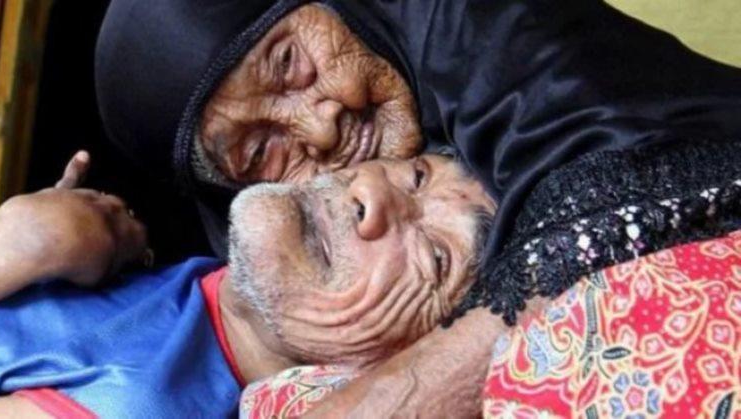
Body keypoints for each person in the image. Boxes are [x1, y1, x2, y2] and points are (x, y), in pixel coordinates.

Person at [94, 0, 741, 414]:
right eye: (262, 150)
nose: (320, 126)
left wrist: (400, 395)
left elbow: (617, 194)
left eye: (289, 63)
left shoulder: (469, 17)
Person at [0, 153, 494, 417]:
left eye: (435, 257)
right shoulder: (174, 290)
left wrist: (9, 244)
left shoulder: (140, 406)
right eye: (417, 175)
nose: (374, 196)